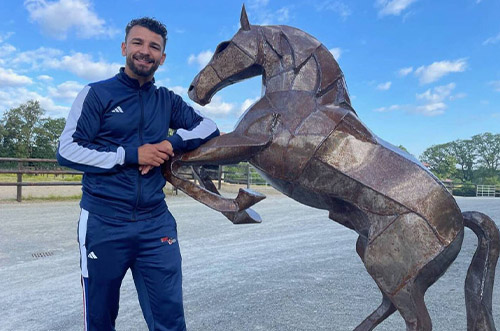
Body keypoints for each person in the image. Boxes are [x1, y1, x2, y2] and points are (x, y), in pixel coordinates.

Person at [57, 17, 219, 330]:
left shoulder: (167, 100)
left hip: (155, 223)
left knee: (170, 320)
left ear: (162, 57)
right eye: (138, 43)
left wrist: (169, 143)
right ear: (124, 47)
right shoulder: (97, 94)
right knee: (100, 319)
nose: (145, 51)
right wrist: (132, 155)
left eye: (154, 47)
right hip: (103, 223)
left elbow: (209, 127)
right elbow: (67, 150)